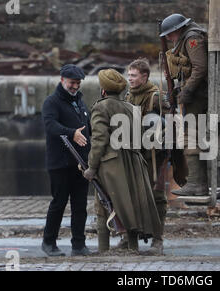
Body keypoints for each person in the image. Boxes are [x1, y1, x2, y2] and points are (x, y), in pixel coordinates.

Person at [83, 69, 161, 253]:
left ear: (103, 89)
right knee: (130, 205)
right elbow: (141, 138)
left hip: (111, 165)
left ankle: (103, 250)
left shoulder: (101, 107)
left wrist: (91, 167)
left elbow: (99, 140)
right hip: (134, 163)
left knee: (102, 206)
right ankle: (133, 248)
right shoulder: (131, 108)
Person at [116, 58, 170, 255]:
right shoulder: (128, 96)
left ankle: (158, 240)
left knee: (156, 197)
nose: (129, 79)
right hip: (133, 154)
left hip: (153, 155)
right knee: (130, 196)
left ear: (144, 76)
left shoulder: (156, 96)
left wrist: (160, 127)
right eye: (128, 75)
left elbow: (172, 120)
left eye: (133, 75)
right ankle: (130, 237)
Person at [41, 64, 91, 257]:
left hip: (80, 164)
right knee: (59, 203)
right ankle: (49, 242)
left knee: (80, 206)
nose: (75, 86)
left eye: (78, 83)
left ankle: (78, 244)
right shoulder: (51, 102)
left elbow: (88, 127)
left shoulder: (80, 102)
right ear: (62, 80)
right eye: (72, 83)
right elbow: (51, 125)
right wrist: (72, 134)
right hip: (60, 164)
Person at [160, 13, 209, 196]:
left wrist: (187, 90)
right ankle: (199, 183)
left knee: (191, 137)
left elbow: (200, 67)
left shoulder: (191, 38)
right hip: (196, 93)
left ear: (177, 29)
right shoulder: (188, 36)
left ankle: (197, 183)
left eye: (169, 34)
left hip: (198, 95)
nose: (168, 38)